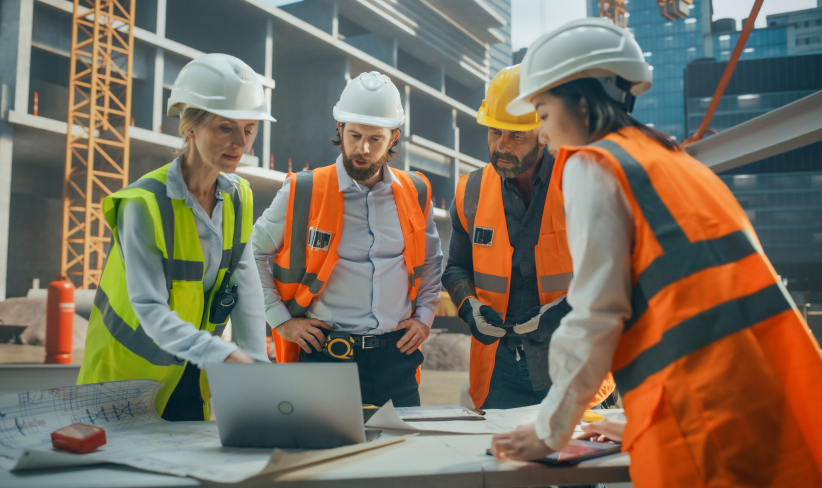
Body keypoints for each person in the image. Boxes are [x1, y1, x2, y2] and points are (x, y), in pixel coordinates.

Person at [489, 18, 822, 486]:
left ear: (582, 103)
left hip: (700, 412)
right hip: (765, 393)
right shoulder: (674, 162)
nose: (543, 136)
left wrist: (549, 431)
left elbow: (595, 315)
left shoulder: (594, 164)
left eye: (543, 115)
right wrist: (627, 420)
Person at [78, 54, 275, 421]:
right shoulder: (144, 203)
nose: (240, 142)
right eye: (225, 127)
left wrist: (257, 369)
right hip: (123, 385)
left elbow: (246, 287)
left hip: (189, 375)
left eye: (249, 128)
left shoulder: (238, 197)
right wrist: (223, 354)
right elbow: (150, 308)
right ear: (190, 127)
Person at [253, 71, 442, 408]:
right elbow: (252, 253)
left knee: (401, 457)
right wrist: (281, 321)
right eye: (354, 135)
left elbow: (430, 262)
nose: (362, 149)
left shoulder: (416, 191)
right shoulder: (303, 190)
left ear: (394, 137)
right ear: (339, 129)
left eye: (376, 139)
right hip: (327, 357)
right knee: (324, 459)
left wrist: (425, 317)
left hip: (396, 359)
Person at [442, 65, 615, 410]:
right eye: (494, 133)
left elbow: (613, 275)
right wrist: (469, 307)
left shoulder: (583, 182)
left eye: (516, 136)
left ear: (544, 133)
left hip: (574, 363)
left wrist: (560, 312)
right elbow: (456, 269)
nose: (501, 146)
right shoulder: (470, 191)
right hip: (499, 373)